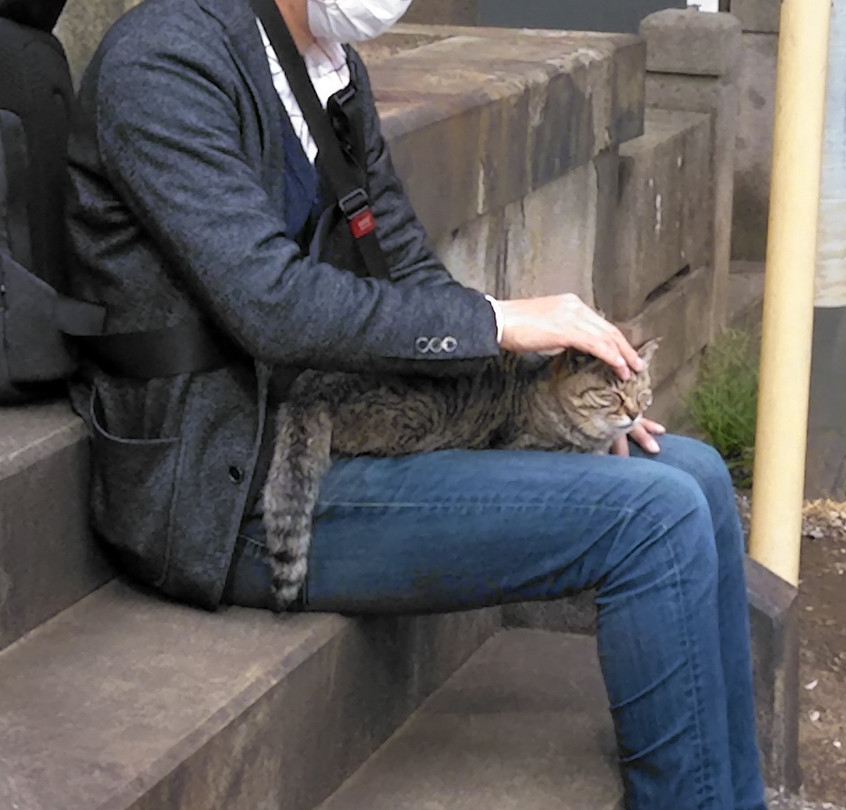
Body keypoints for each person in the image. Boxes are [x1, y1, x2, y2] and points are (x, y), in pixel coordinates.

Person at [65, 0, 767, 807]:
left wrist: (579, 406)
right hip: (234, 479)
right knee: (657, 519)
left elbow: (404, 266)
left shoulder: (332, 67)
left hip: (361, 427)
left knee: (699, 477)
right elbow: (269, 303)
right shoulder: (161, 63)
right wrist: (499, 319)